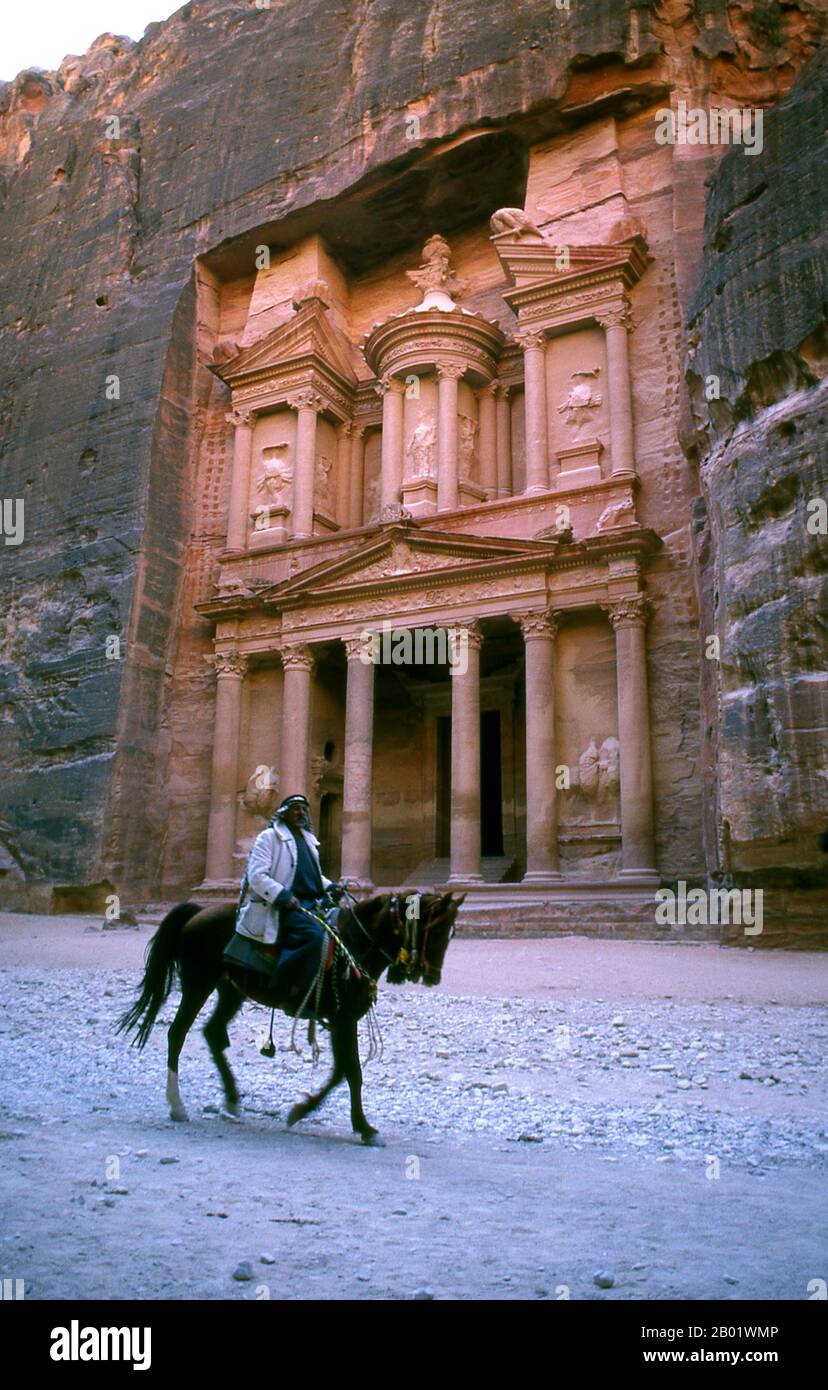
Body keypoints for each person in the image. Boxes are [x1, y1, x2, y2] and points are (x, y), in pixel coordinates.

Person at [226, 793, 340, 1007]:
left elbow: (312, 875)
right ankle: (289, 988)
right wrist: (283, 896)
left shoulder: (307, 840)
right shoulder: (268, 838)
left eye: (304, 809)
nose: (301, 813)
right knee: (313, 935)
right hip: (284, 906)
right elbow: (257, 875)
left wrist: (331, 886)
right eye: (296, 808)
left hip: (310, 903)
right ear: (284, 813)